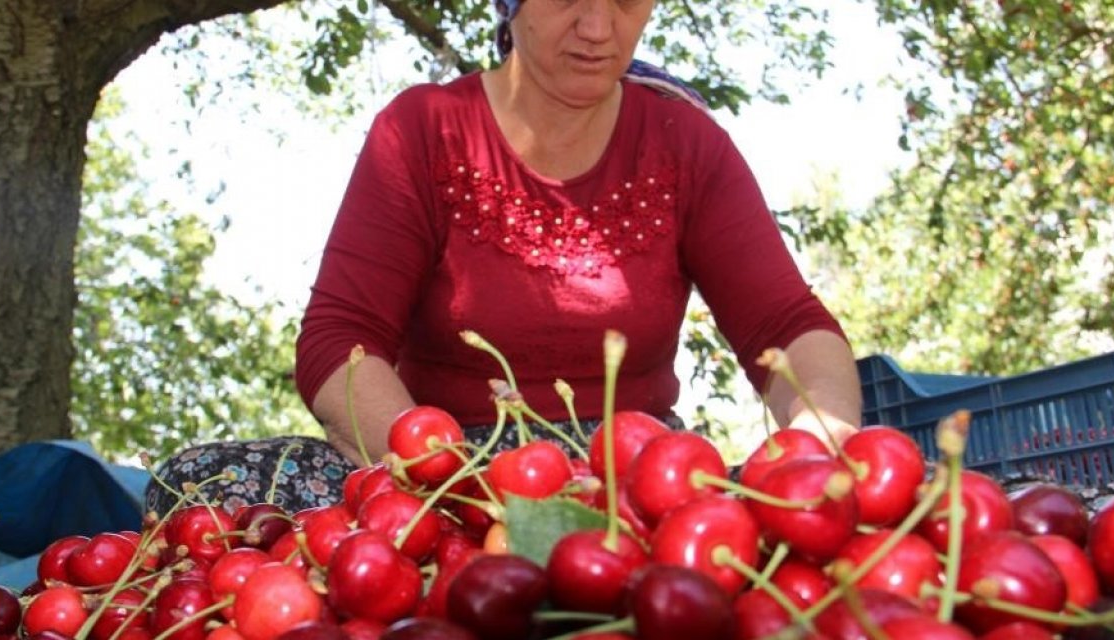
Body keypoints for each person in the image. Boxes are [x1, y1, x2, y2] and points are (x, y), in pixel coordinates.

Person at [146, 0, 862, 515]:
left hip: (626, 480)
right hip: (439, 469)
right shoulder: (423, 131)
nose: (597, 26)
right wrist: (435, 474)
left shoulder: (684, 142)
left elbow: (785, 322)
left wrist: (822, 440)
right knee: (200, 484)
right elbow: (340, 341)